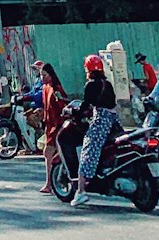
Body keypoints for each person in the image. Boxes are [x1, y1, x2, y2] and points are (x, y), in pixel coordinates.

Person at [68, 54, 119, 208]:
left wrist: (75, 111)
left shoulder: (90, 85)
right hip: (114, 120)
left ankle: (81, 191)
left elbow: (86, 104)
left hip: (101, 121)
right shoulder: (107, 83)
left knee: (88, 152)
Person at [38, 63, 67, 194]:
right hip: (49, 125)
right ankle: (50, 182)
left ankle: (49, 183)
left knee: (48, 153)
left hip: (58, 125)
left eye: (44, 75)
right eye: (41, 75)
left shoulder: (56, 89)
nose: (42, 78)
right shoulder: (45, 88)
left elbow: (62, 106)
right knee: (50, 153)